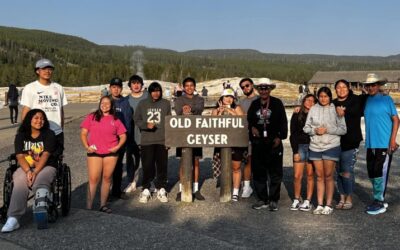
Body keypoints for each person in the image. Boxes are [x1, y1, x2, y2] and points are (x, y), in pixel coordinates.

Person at [2, 109, 58, 232]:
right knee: (20, 180)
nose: (40, 121)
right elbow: (20, 156)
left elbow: (45, 155)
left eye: (42, 118)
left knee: (42, 178)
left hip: (46, 166)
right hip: (26, 167)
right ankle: (13, 218)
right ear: (29, 119)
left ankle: (41, 206)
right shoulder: (21, 135)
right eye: (36, 118)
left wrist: (35, 172)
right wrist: (28, 171)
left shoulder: (49, 134)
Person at [303, 87, 346, 215]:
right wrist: (315, 131)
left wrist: (327, 130)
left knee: (328, 176)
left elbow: (343, 129)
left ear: (330, 97)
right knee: (319, 176)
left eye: (326, 96)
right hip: (315, 146)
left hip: (331, 146)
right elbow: (306, 128)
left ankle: (328, 204)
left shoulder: (336, 109)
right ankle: (320, 204)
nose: (323, 99)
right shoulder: (313, 109)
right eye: (321, 96)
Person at [80, 96, 127, 213]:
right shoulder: (92, 117)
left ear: (112, 106)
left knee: (106, 178)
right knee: (93, 179)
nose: (105, 105)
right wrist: (87, 146)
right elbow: (83, 133)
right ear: (100, 104)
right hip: (94, 152)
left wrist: (117, 147)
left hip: (110, 153)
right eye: (102, 103)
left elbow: (123, 136)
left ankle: (103, 205)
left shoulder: (115, 119)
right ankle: (89, 207)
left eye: (107, 103)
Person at [247, 79, 288, 211]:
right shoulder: (254, 104)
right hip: (259, 143)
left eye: (266, 88)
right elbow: (250, 120)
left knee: (275, 173)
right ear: (258, 90)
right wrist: (252, 127)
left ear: (270, 89)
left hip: (273, 142)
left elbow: (283, 122)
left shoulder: (277, 103)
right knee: (259, 172)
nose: (264, 91)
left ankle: (274, 199)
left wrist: (280, 137)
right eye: (261, 88)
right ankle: (262, 198)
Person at [362, 73, 399, 215]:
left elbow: (396, 120)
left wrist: (392, 140)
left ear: (378, 85)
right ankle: (378, 197)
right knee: (371, 172)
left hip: (384, 143)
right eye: (368, 85)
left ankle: (379, 202)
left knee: (380, 173)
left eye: (373, 85)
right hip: (371, 143)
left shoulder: (386, 99)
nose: (371, 87)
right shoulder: (366, 100)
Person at [20, 59, 67, 157]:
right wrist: (25, 130)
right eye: (44, 69)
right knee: (35, 160)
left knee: (54, 163)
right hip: (37, 133)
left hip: (56, 132)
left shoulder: (59, 88)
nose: (47, 71)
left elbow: (61, 111)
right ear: (37, 71)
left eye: (49, 69)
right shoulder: (30, 88)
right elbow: (26, 110)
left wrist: (61, 129)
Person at [134, 82, 171, 203]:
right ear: (150, 92)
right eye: (154, 91)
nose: (156, 93)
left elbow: (169, 122)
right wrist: (145, 125)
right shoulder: (143, 103)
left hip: (162, 140)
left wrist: (169, 140)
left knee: (162, 166)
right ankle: (146, 189)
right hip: (147, 141)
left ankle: (161, 188)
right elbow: (136, 119)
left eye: (158, 91)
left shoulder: (166, 103)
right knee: (147, 165)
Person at [333, 79, 366, 210]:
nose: (341, 89)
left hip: (351, 141)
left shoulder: (356, 100)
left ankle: (349, 197)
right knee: (339, 171)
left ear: (348, 88)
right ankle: (341, 196)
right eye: (338, 87)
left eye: (344, 87)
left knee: (347, 171)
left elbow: (361, 108)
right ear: (335, 90)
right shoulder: (333, 103)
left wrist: (343, 112)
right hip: (335, 142)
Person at [174, 77, 205, 201]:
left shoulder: (200, 99)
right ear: (183, 87)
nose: (189, 88)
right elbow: (177, 111)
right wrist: (183, 110)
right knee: (182, 162)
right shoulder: (179, 99)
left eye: (191, 85)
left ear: (195, 86)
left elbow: (200, 109)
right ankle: (182, 189)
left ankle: (195, 188)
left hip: (196, 133)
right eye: (186, 86)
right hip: (182, 133)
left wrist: (190, 109)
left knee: (196, 162)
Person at [212, 88, 245, 201]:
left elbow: (243, 121)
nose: (229, 99)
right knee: (225, 165)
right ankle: (226, 189)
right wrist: (220, 112)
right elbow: (211, 125)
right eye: (226, 97)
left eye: (231, 97)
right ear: (221, 98)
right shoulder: (216, 110)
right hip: (221, 140)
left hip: (236, 141)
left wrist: (230, 111)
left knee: (236, 166)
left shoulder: (237, 108)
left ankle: (235, 191)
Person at [289, 94, 316, 211]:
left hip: (313, 147)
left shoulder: (317, 115)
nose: (310, 102)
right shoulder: (297, 114)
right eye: (307, 100)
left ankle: (308, 200)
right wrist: (295, 151)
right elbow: (293, 134)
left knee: (310, 175)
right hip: (299, 146)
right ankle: (296, 198)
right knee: (297, 176)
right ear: (303, 101)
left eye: (312, 100)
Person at [108, 77, 133, 200]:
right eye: (113, 87)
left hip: (120, 139)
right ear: (110, 88)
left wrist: (126, 137)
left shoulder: (125, 102)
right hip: (107, 139)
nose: (116, 89)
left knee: (118, 166)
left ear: (121, 89)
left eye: (118, 87)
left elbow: (128, 121)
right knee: (107, 166)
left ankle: (116, 191)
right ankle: (105, 191)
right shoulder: (106, 101)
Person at [123, 75, 148, 193]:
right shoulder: (125, 100)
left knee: (148, 160)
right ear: (130, 86)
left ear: (142, 85)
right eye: (133, 83)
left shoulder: (148, 97)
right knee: (131, 160)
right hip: (131, 135)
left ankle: (149, 181)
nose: (136, 85)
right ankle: (132, 182)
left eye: (138, 83)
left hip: (146, 134)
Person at [238, 78, 258, 198]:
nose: (245, 88)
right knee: (247, 161)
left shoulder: (260, 99)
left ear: (252, 85)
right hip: (246, 134)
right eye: (243, 87)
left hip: (259, 135)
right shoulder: (242, 102)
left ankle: (263, 185)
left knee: (261, 161)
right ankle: (247, 186)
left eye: (247, 85)